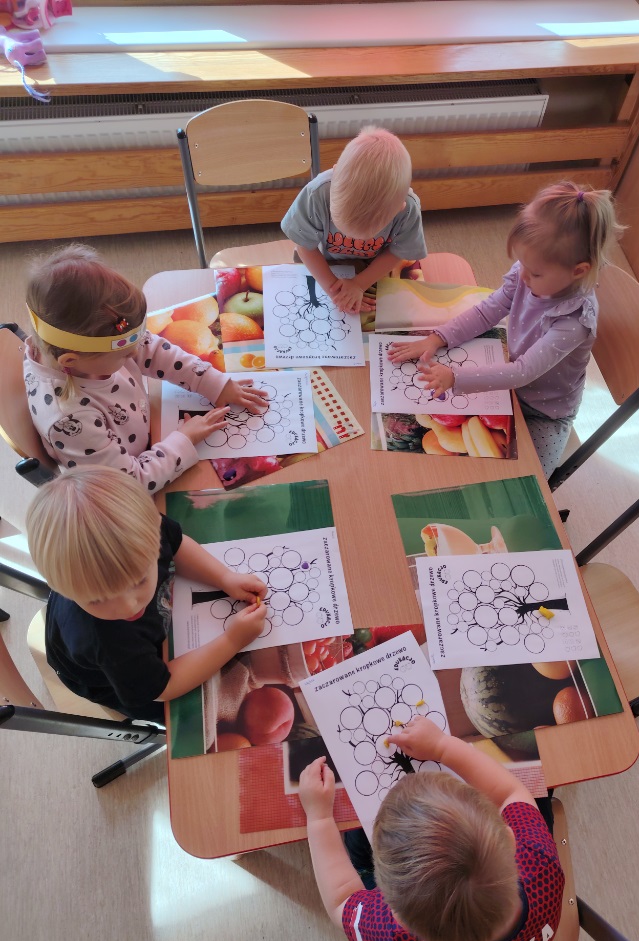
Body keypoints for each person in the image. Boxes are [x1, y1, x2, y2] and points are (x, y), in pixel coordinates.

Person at [298, 715, 563, 941]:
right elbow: (511, 793)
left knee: (357, 842)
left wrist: (319, 817)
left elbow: (341, 900)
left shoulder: (392, 939)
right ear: (509, 839)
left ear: (395, 915)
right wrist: (441, 746)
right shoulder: (542, 868)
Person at [387, 180, 625, 478]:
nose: (522, 275)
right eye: (521, 263)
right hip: (503, 379)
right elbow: (488, 310)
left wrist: (455, 377)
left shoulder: (574, 320)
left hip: (544, 411)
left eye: (534, 272)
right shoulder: (529, 272)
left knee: (529, 478)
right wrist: (437, 338)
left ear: (578, 271)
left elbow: (523, 372)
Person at [25, 465, 268, 723]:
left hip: (133, 647)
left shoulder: (138, 533)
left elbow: (176, 544)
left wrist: (224, 577)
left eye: (139, 580)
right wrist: (232, 640)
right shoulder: (106, 641)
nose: (129, 605)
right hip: (109, 676)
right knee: (183, 716)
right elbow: (164, 688)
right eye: (97, 600)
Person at [23, 243, 270, 492]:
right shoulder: (70, 420)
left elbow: (152, 350)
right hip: (134, 481)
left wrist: (212, 383)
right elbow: (129, 484)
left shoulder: (85, 350)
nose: (135, 353)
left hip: (149, 434)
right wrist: (185, 439)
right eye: (124, 355)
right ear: (70, 361)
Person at [281, 126, 427, 314]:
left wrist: (359, 284)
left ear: (400, 207)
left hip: (375, 265)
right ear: (335, 173)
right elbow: (304, 246)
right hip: (323, 261)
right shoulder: (316, 194)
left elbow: (399, 251)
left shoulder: (408, 209)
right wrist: (334, 289)